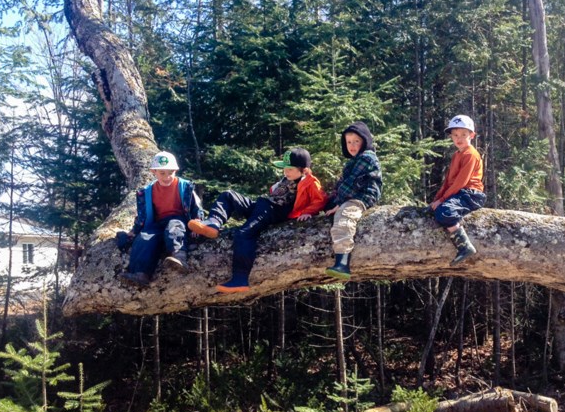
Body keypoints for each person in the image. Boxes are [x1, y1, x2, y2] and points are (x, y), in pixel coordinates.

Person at [188, 147, 326, 293]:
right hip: (261, 205)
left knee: (244, 233)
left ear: (304, 170)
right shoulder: (288, 178)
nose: (286, 172)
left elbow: (320, 199)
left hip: (272, 212)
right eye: (284, 168)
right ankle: (213, 223)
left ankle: (240, 278)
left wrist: (307, 212)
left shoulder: (310, 181)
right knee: (228, 195)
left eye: (290, 169)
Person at [116, 151, 204, 287]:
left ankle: (179, 257)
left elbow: (196, 206)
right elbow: (143, 214)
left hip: (178, 218)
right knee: (144, 237)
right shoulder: (147, 191)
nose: (167, 177)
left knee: (174, 226)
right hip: (157, 222)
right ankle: (140, 273)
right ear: (154, 172)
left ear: (175, 171)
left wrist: (197, 221)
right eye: (162, 173)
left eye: (170, 172)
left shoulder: (185, 187)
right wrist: (135, 230)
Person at [324, 121, 383, 280]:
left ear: (365, 141)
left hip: (362, 196)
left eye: (356, 141)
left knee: (345, 216)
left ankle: (342, 261)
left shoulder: (367, 158)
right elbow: (341, 185)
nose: (352, 145)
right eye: (349, 142)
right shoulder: (354, 160)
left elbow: (350, 184)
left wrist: (339, 203)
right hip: (352, 195)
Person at [429, 114, 485, 265]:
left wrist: (442, 200)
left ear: (471, 135)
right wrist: (437, 199)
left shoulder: (471, 154)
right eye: (455, 135)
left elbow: (461, 182)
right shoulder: (456, 155)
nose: (459, 138)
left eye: (463, 135)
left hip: (471, 194)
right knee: (433, 210)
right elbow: (448, 181)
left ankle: (465, 246)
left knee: (445, 211)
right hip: (459, 192)